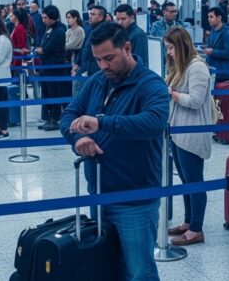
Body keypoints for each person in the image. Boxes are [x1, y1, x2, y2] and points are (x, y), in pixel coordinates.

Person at [59, 22, 169, 281]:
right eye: (98, 60)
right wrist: (78, 138)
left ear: (127, 48)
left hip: (135, 199)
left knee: (138, 272)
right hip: (98, 193)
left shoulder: (151, 84)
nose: (103, 66)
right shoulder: (98, 81)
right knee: (105, 268)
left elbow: (154, 122)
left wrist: (100, 122)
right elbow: (69, 116)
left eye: (109, 58)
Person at [163, 26, 212, 247]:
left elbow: (196, 100)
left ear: (182, 46)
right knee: (185, 181)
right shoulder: (180, 67)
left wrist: (173, 94)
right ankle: (188, 221)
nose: (169, 53)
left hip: (192, 132)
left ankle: (196, 229)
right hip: (178, 131)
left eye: (171, 48)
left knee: (194, 181)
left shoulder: (197, 67)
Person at [35, 5, 68, 131]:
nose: (43, 20)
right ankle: (49, 118)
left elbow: (47, 49)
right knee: (47, 94)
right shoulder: (48, 29)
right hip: (45, 66)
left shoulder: (59, 31)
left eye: (45, 18)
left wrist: (41, 50)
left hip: (54, 67)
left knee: (54, 94)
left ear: (53, 18)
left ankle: (55, 119)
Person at [74, 4, 107, 80]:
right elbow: (84, 47)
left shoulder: (103, 31)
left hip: (94, 72)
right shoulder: (91, 29)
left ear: (101, 17)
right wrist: (77, 63)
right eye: (90, 14)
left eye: (93, 14)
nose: (90, 16)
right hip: (85, 69)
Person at [204, 6, 229, 83]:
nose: (209, 19)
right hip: (212, 72)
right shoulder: (212, 31)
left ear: (219, 18)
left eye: (211, 17)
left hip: (222, 74)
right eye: (208, 17)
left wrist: (212, 52)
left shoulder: (227, 33)